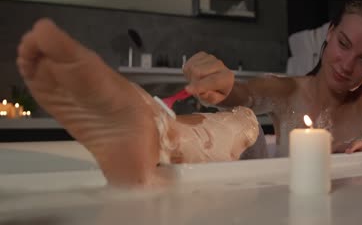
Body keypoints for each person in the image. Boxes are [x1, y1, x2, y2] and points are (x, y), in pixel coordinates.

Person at [183, 0, 362, 157]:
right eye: (344, 44)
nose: (346, 65)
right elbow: (242, 94)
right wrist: (221, 85)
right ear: (330, 34)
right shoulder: (288, 91)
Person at [16, 18, 260, 188]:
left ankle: (159, 130)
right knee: (247, 121)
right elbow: (265, 94)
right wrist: (228, 89)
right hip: (254, 140)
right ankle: (159, 131)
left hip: (259, 153)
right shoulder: (296, 85)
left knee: (247, 124)